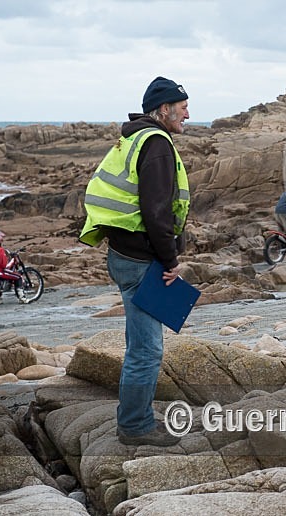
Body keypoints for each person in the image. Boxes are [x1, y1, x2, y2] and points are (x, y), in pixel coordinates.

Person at [79, 76, 191, 447]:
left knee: (139, 342)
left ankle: (136, 416)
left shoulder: (134, 136)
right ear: (163, 110)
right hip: (141, 258)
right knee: (147, 349)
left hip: (123, 253)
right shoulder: (156, 143)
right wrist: (171, 259)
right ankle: (135, 426)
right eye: (182, 107)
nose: (188, 114)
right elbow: (156, 210)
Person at [0, 230, 26, 304]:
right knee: (18, 277)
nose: (2, 240)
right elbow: (3, 265)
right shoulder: (0, 250)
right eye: (1, 239)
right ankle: (22, 298)